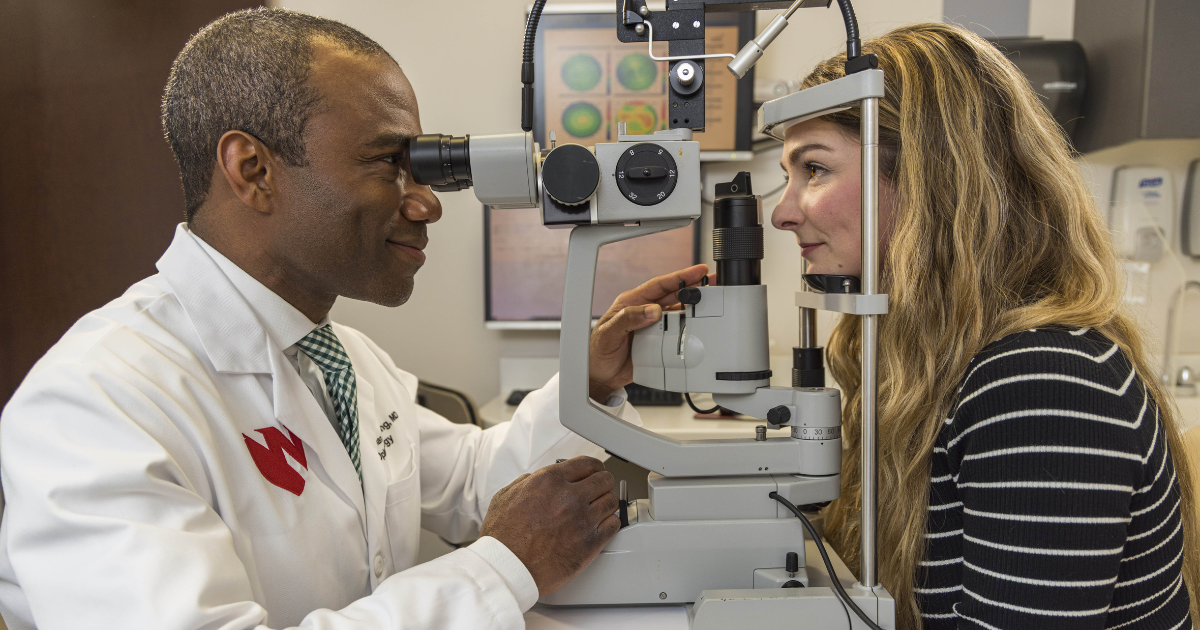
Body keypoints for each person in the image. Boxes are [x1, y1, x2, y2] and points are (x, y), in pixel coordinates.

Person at [0, 9, 707, 630]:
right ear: (253, 170)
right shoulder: (96, 403)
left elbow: (470, 481)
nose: (428, 204)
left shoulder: (341, 358)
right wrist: (500, 568)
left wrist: (586, 374)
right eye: (390, 163)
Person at [769, 23, 1198, 629]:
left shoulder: (1045, 382)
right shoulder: (928, 361)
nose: (783, 212)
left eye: (814, 169)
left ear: (927, 176)